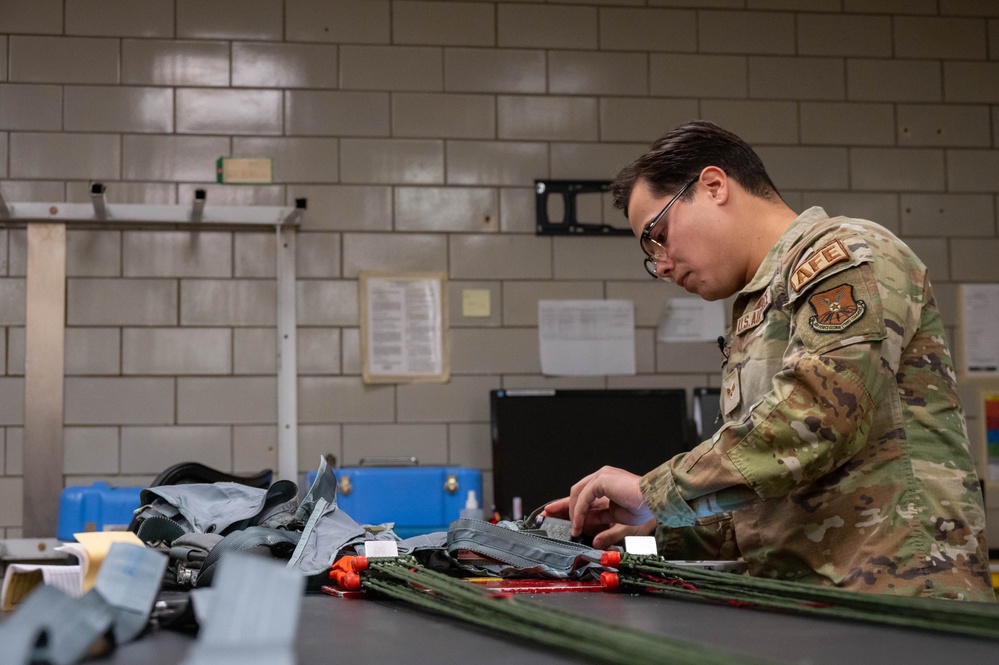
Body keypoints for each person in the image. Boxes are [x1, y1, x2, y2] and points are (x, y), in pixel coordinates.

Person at [543, 120, 994, 601]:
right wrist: (656, 527)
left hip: (903, 605)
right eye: (651, 254)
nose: (663, 264)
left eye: (658, 234)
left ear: (714, 187)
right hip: (818, 605)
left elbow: (819, 417)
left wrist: (655, 490)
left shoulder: (845, 254)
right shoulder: (760, 308)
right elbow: (775, 503)